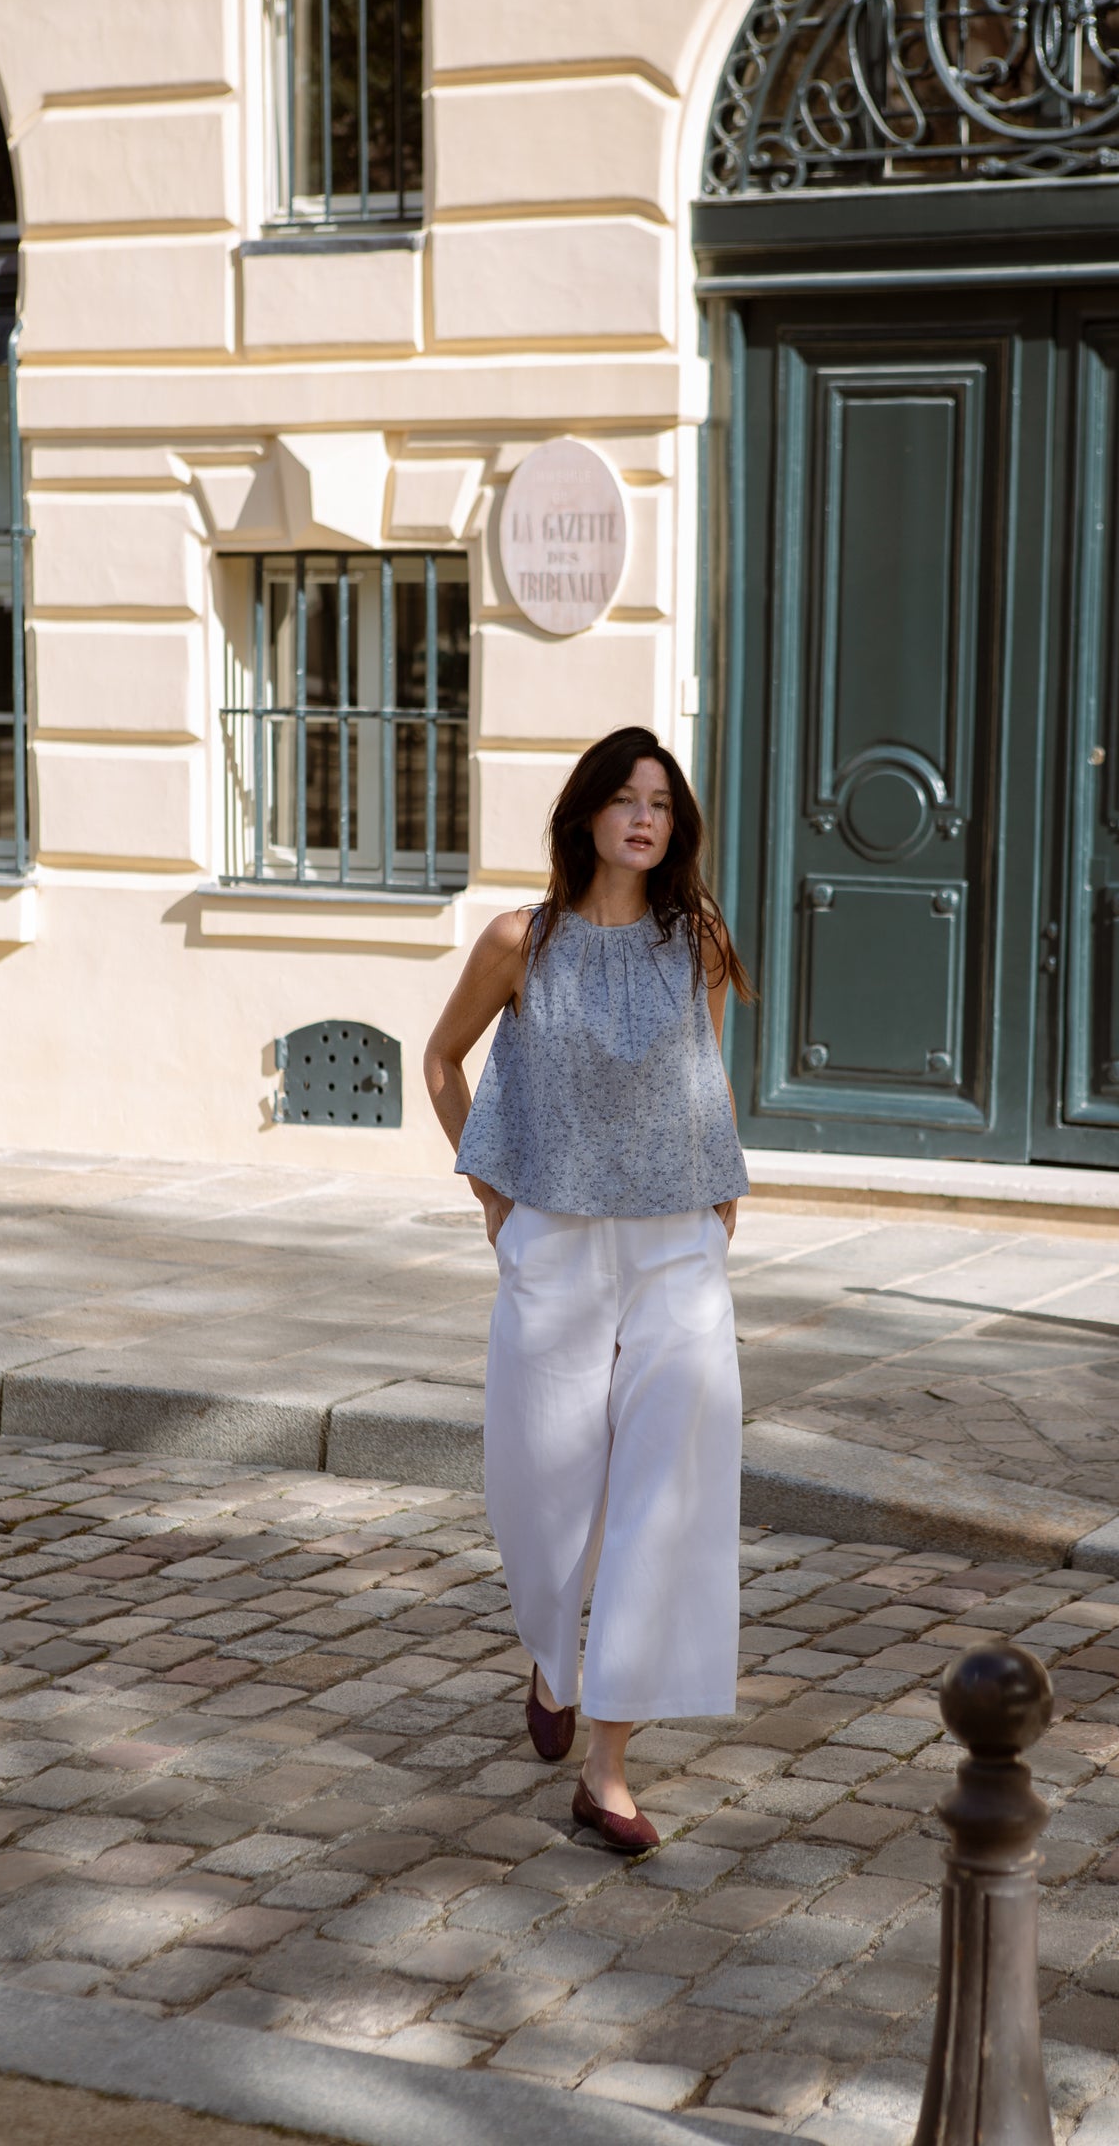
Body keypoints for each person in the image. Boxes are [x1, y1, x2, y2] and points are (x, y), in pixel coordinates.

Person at [423, 724, 752, 1853]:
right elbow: (440, 1058)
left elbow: (704, 1083)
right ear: (585, 814)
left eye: (661, 799)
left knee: (672, 1490)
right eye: (624, 796)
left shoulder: (696, 939)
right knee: (542, 1478)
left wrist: (721, 1200)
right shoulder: (521, 939)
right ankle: (547, 1642)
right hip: (553, 1245)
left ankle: (605, 1764)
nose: (645, 816)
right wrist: (493, 1201)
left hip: (675, 1251)